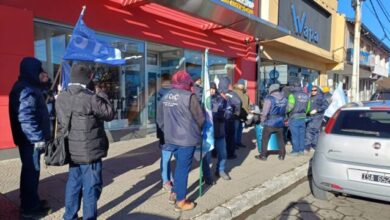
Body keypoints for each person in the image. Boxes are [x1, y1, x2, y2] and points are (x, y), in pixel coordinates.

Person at [56, 63, 114, 220]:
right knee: (91, 187)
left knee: (73, 184)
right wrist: (101, 92)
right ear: (88, 78)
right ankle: (89, 217)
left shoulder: (62, 96)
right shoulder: (91, 98)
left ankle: (70, 216)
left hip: (72, 149)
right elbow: (109, 113)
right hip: (90, 152)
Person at [9, 57, 52, 218]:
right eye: (39, 70)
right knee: (30, 173)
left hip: (29, 140)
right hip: (30, 141)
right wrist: (37, 139)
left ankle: (30, 201)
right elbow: (26, 117)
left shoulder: (28, 86)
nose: (41, 72)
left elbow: (44, 92)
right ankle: (29, 209)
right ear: (31, 70)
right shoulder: (25, 89)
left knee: (30, 173)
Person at [156, 70, 205, 211]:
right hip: (186, 140)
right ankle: (181, 201)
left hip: (170, 138)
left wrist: (168, 131)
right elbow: (200, 119)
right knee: (182, 169)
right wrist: (197, 130)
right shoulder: (190, 96)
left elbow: (159, 120)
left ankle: (175, 192)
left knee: (179, 168)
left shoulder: (166, 96)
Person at [255, 84, 287, 161]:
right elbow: (286, 110)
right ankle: (282, 155)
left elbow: (265, 112)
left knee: (265, 139)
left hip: (270, 123)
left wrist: (262, 121)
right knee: (281, 139)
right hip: (280, 122)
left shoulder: (269, 98)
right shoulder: (285, 99)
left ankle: (263, 155)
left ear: (271, 90)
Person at [210, 82, 232, 180]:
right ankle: (206, 175)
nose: (212, 90)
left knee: (223, 153)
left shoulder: (221, 100)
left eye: (213, 88)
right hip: (207, 133)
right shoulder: (203, 100)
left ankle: (220, 170)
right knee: (206, 157)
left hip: (220, 131)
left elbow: (229, 110)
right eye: (210, 88)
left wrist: (224, 114)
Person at [156, 73, 174, 191]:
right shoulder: (163, 95)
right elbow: (159, 116)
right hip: (166, 131)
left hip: (170, 131)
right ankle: (165, 180)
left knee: (167, 157)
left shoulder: (173, 94)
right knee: (166, 157)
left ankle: (168, 177)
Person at [218, 77, 241, 159]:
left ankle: (216, 153)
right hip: (229, 118)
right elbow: (238, 102)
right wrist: (236, 114)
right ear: (228, 84)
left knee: (219, 137)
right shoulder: (231, 93)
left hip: (218, 119)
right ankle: (230, 153)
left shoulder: (217, 92)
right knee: (230, 136)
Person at [287, 81, 311, 156]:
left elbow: (289, 107)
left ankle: (295, 151)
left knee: (295, 135)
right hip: (303, 117)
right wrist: (305, 113)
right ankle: (301, 150)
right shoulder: (306, 95)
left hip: (294, 117)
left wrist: (285, 111)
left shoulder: (292, 95)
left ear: (293, 86)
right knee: (301, 134)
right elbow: (308, 107)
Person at [305, 86, 329, 151]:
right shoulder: (310, 96)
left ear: (317, 90)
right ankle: (314, 145)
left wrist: (317, 110)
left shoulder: (321, 97)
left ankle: (308, 146)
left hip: (317, 116)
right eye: (312, 90)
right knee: (314, 131)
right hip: (310, 116)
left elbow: (326, 105)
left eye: (314, 90)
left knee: (310, 130)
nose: (313, 91)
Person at [233, 79, 250, 148]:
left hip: (243, 115)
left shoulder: (245, 93)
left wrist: (249, 110)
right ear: (238, 84)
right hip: (236, 114)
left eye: (243, 84)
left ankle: (238, 142)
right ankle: (233, 144)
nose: (242, 86)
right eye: (241, 84)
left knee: (240, 129)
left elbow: (247, 104)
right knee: (235, 129)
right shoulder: (234, 92)